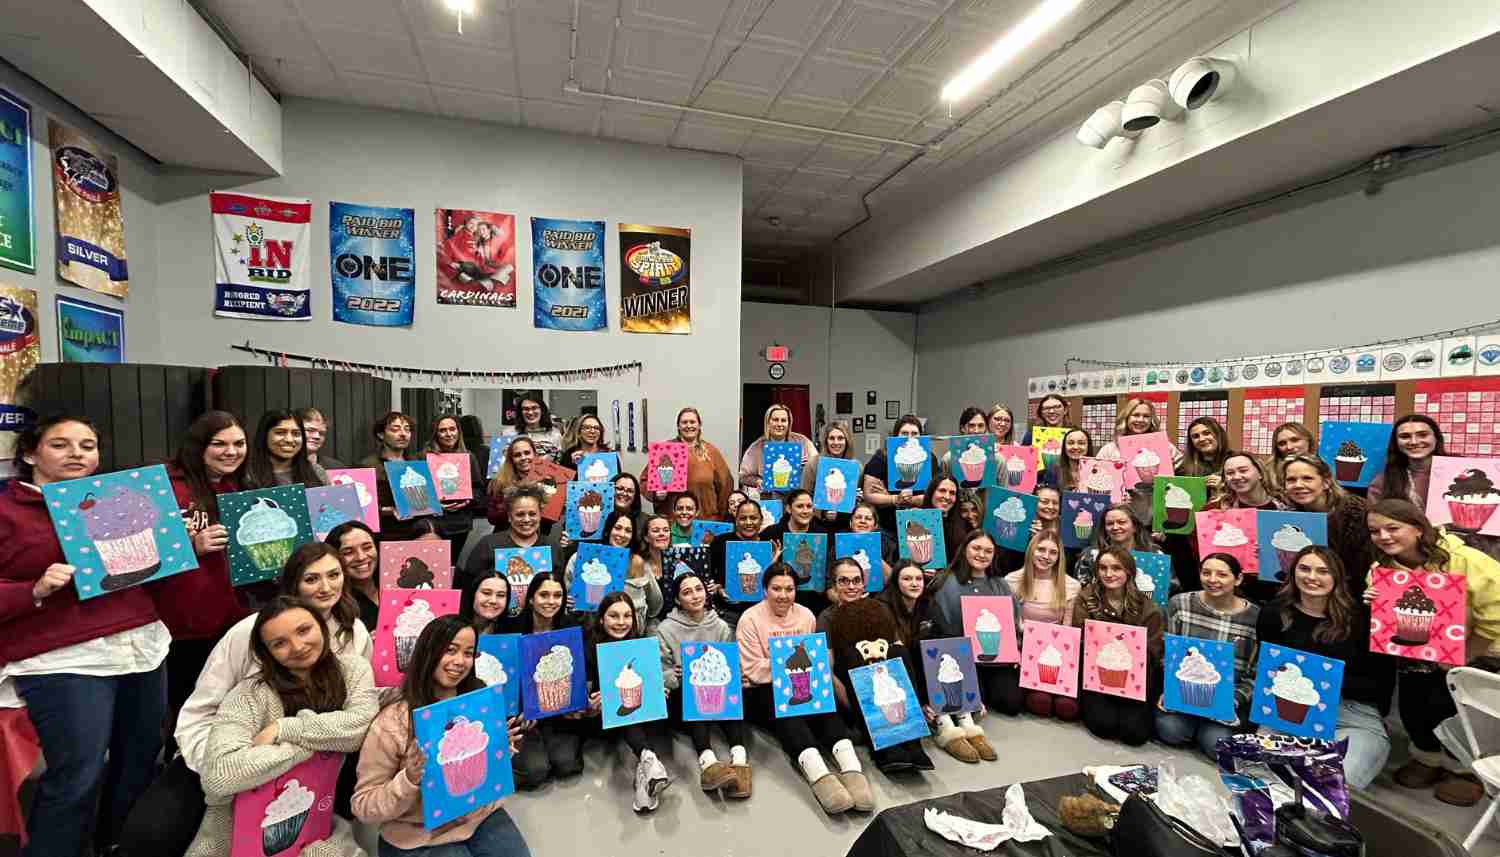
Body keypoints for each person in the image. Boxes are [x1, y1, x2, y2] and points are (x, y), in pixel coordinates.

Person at [0, 416, 167, 857]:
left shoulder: (121, 499)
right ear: (30, 454)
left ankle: (119, 846)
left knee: (139, 764)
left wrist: (183, 549)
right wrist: (32, 590)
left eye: (88, 445)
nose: (78, 453)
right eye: (61, 444)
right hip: (63, 659)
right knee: (77, 777)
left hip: (142, 648)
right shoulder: (7, 513)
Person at [183, 597, 377, 857]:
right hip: (234, 834)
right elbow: (219, 776)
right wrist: (312, 746)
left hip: (316, 819)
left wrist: (284, 729)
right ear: (267, 652)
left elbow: (358, 728)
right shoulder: (249, 694)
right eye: (279, 643)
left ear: (321, 626)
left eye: (303, 630)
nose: (297, 647)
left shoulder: (353, 670)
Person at [354, 616, 532, 855]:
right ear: (428, 653)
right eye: (450, 650)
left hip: (478, 815)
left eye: (469, 653)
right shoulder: (393, 721)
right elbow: (364, 805)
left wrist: (500, 749)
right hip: (417, 835)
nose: (460, 661)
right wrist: (409, 779)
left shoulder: (479, 702)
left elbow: (485, 775)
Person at [1364, 498, 1500, 805]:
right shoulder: (1382, 567)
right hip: (1417, 650)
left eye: (1392, 528)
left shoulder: (1465, 560)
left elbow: (1496, 612)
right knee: (1415, 704)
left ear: (1417, 528)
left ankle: (1466, 769)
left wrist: (1464, 654)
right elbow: (1385, 614)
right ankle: (1427, 757)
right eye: (1375, 531)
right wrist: (1373, 598)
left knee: (1461, 708)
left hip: (1480, 647)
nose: (1383, 536)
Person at [737, 562, 873, 815]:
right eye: (776, 588)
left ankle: (851, 767)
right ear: (765, 590)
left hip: (803, 681)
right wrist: (787, 668)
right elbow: (751, 669)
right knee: (788, 711)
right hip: (762, 691)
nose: (783, 595)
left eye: (789, 589)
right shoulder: (750, 619)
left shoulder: (806, 616)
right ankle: (819, 775)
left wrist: (798, 669)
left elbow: (816, 659)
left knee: (824, 705)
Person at [1257, 545, 1394, 789]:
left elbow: (1381, 684)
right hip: (1288, 711)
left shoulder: (1362, 618)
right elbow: (1267, 668)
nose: (1312, 577)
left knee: (1333, 785)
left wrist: (1327, 680)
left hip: (1351, 715)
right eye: (1304, 568)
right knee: (1259, 773)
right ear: (1293, 572)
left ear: (1337, 578)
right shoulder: (1274, 613)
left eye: (1323, 571)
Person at [156, 410, 251, 737]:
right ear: (198, 447)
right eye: (219, 444)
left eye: (239, 443)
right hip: (181, 621)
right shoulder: (165, 487)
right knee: (185, 707)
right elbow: (139, 553)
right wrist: (190, 546)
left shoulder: (235, 486)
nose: (231, 451)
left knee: (222, 706)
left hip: (228, 616)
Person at [656, 571, 752, 797]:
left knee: (733, 692)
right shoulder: (666, 629)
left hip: (717, 692)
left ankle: (740, 759)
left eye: (699, 589)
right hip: (684, 697)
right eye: (687, 592)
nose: (695, 596)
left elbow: (730, 661)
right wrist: (674, 675)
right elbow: (660, 671)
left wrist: (736, 675)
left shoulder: (719, 626)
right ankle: (708, 762)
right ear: (678, 600)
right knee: (693, 694)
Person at [1155, 554, 1260, 759]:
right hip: (1184, 693)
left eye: (1222, 574)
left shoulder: (1255, 617)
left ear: (1238, 579)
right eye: (1206, 573)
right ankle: (1192, 728)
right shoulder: (1180, 604)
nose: (1213, 579)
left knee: (1216, 745)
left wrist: (1236, 699)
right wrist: (1168, 688)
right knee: (1170, 730)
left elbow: (1256, 673)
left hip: (1227, 698)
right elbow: (1166, 652)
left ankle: (1204, 731)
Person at [578, 593, 675, 812]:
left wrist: (657, 691)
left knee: (645, 705)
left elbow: (650, 682)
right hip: (600, 721)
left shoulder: (638, 647)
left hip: (633, 718)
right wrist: (592, 703)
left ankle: (645, 772)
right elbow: (581, 701)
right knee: (621, 705)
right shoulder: (587, 649)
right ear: (601, 619)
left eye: (627, 616)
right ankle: (647, 758)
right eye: (613, 616)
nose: (621, 622)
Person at [1071, 548, 1163, 746]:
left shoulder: (1148, 608)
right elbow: (1079, 639)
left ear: (1128, 572)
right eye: (1103, 568)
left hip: (1134, 680)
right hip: (1096, 675)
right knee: (1103, 726)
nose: (1109, 574)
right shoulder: (1086, 599)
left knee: (1135, 734)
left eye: (1116, 568)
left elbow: (1154, 654)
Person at [926, 530, 1023, 716]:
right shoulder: (946, 580)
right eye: (976, 548)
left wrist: (1015, 649)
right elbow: (940, 627)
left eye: (988, 551)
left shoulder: (1000, 584)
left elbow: (1012, 624)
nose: (981, 555)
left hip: (996, 659)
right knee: (973, 703)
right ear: (964, 550)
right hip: (962, 656)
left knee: (1011, 704)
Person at [510, 572, 583, 788]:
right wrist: (518, 713)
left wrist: (577, 705)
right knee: (536, 771)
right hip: (524, 715)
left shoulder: (569, 629)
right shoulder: (512, 630)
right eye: (544, 595)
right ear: (531, 598)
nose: (551, 602)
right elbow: (506, 680)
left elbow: (577, 675)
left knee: (566, 765)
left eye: (557, 595)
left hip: (558, 712)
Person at [1004, 531, 1081, 721]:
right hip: (1021, 652)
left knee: (1067, 707)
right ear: (1031, 550)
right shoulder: (1012, 580)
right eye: (1041, 549)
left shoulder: (1071, 585)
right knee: (1040, 703)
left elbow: (1068, 629)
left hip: (1056, 656)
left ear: (1059, 556)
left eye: (1053, 552)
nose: (1046, 556)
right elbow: (1009, 626)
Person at [1281, 454, 1373, 598]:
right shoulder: (1290, 516)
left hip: (1350, 595)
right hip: (1310, 591)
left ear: (1326, 482)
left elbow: (1362, 566)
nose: (1298, 485)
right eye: (1291, 480)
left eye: (1307, 478)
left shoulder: (1356, 512)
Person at [564, 510, 662, 633]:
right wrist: (569, 603)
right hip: (593, 633)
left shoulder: (637, 562)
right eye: (618, 528)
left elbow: (656, 603)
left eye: (628, 530)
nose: (622, 534)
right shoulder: (583, 558)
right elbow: (570, 601)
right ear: (608, 530)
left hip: (630, 635)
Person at [1208, 452, 1287, 601]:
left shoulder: (1286, 509)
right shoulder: (1216, 511)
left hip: (1279, 592)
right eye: (1230, 473)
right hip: (1234, 592)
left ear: (1260, 473)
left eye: (1243, 470)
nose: (1237, 476)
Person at [462, 485, 563, 597]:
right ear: (509, 517)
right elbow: (468, 587)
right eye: (520, 514)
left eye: (532, 514)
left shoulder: (552, 547)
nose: (527, 519)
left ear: (540, 515)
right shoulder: (488, 545)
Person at [642, 407, 735, 521]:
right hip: (673, 521)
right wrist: (656, 494)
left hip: (705, 520)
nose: (688, 425)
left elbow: (726, 484)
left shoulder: (711, 451)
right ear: (678, 426)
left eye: (692, 422)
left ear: (699, 425)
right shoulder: (665, 451)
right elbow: (645, 480)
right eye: (684, 422)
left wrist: (722, 516)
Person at [862, 415, 939, 534]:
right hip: (887, 524)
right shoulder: (881, 458)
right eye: (904, 433)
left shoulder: (930, 459)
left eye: (914, 433)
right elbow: (869, 494)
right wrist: (894, 499)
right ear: (895, 435)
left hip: (920, 523)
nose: (909, 437)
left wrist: (912, 500)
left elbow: (937, 493)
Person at [425, 414, 485, 562]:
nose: (449, 434)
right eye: (442, 430)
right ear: (435, 434)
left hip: (460, 523)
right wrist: (434, 504)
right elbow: (419, 492)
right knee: (434, 563)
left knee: (452, 564)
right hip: (434, 522)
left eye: (452, 429)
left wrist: (468, 500)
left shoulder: (469, 457)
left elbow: (478, 489)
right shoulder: (425, 457)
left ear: (459, 431)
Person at [360, 411, 421, 541]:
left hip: (415, 531)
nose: (403, 434)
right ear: (381, 434)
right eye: (395, 429)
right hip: (383, 533)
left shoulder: (416, 464)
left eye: (407, 430)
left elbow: (423, 500)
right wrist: (387, 510)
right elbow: (360, 506)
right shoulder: (367, 465)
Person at [708, 501, 769, 623]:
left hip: (762, 615)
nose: (748, 522)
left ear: (761, 520)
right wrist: (718, 589)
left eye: (753, 518)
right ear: (735, 521)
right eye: (743, 518)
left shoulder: (769, 544)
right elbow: (710, 575)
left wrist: (774, 560)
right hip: (728, 614)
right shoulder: (720, 542)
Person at [739, 404, 818, 497]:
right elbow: (743, 477)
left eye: (783, 420)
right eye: (775, 420)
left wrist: (806, 467)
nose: (779, 424)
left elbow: (817, 468)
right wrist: (759, 481)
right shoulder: (757, 447)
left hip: (799, 498)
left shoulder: (803, 442)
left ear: (789, 423)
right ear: (768, 423)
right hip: (770, 498)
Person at [1074, 503, 1159, 588]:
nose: (1115, 527)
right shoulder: (1090, 556)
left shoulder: (1156, 555)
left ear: (1135, 526)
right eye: (1110, 523)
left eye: (1121, 522)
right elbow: (1081, 591)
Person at [1368, 414, 1443, 505]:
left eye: (1423, 435)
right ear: (1396, 443)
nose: (1414, 442)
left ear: (1436, 438)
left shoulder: (1460, 470)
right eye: (1405, 436)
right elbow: (1375, 517)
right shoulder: (1382, 482)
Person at [1096, 398, 1184, 471]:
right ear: (1126, 418)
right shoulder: (1109, 449)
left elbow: (1184, 468)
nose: (1141, 420)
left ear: (1151, 420)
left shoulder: (1165, 446)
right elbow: (1096, 473)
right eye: (1136, 415)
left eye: (1146, 416)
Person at [244, 408, 324, 489]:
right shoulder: (247, 475)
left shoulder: (316, 471)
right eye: (280, 432)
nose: (289, 439)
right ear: (264, 435)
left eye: (296, 434)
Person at [327, 520, 380, 631]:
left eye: (367, 547)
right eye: (348, 552)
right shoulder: (333, 604)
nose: (361, 557)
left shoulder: (395, 584)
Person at [484, 435, 539, 531]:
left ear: (534, 454)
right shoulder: (498, 482)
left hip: (538, 539)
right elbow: (492, 518)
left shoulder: (546, 480)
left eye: (527, 453)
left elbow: (553, 518)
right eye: (517, 455)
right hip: (506, 537)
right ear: (511, 459)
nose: (523, 457)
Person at [922, 475, 972, 573]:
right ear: (931, 492)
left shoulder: (965, 525)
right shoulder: (914, 519)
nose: (947, 497)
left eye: (952, 493)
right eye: (942, 490)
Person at [817, 421, 855, 528]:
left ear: (847, 441)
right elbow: (805, 495)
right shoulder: (815, 464)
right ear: (826, 441)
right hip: (820, 524)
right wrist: (822, 513)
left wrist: (857, 498)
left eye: (840, 438)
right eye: (831, 438)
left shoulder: (855, 466)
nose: (836, 442)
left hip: (847, 524)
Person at [504, 395, 563, 462]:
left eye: (534, 408)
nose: (530, 412)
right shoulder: (508, 433)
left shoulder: (555, 434)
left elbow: (559, 462)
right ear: (520, 412)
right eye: (526, 409)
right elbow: (503, 462)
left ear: (542, 410)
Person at [1180, 417, 1231, 490]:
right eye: (1195, 436)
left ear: (1218, 434)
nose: (1202, 439)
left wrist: (1224, 486)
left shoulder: (1235, 460)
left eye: (1207, 433)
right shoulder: (1185, 467)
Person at [458, 568, 511, 636]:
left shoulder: (512, 633)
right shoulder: (454, 630)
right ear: (473, 594)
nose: (493, 600)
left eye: (501, 595)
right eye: (486, 593)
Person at [1043, 428, 1093, 492]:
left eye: (1081, 443)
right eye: (1070, 443)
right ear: (1064, 447)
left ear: (1088, 446)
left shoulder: (1097, 471)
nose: (1075, 447)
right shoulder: (1053, 470)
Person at [299, 406, 344, 474]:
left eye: (321, 433)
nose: (317, 436)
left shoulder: (336, 467)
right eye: (310, 430)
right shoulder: (282, 467)